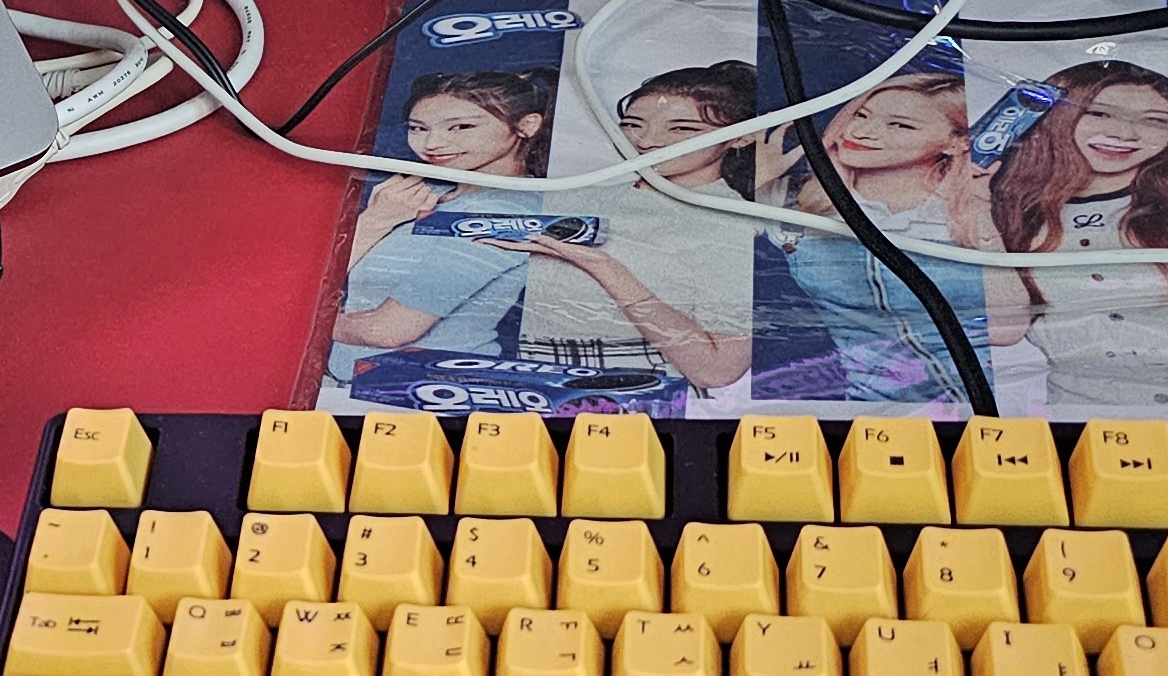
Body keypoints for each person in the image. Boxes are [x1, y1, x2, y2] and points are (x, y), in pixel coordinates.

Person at [978, 59, 1168, 412]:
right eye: (1100, 114)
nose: (1125, 134)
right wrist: (977, 215)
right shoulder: (1004, 216)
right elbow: (999, 328)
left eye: (1153, 121)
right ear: (1053, 118)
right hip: (1083, 422)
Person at [502, 62, 760, 413]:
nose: (646, 141)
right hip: (528, 386)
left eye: (682, 128)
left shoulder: (734, 223)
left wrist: (602, 266)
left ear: (742, 136)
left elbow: (717, 369)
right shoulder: (574, 195)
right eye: (633, 125)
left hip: (640, 400)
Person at [758, 73, 994, 408]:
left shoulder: (980, 208)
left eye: (899, 125)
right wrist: (757, 179)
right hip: (872, 410)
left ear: (956, 143)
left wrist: (987, 213)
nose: (860, 132)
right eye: (861, 115)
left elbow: (1010, 330)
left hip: (1003, 409)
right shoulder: (790, 201)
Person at [332, 71, 550, 384]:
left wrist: (297, 317)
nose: (432, 143)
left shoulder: (509, 212)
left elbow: (389, 330)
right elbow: (320, 279)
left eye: (461, 127)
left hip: (430, 393)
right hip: (357, 383)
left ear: (526, 125)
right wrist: (375, 220)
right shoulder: (417, 195)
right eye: (418, 128)